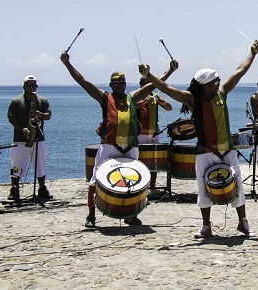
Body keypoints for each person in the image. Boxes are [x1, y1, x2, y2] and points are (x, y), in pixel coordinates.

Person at [138, 41, 258, 239]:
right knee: (203, 189)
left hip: (227, 149)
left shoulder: (222, 92)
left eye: (218, 81)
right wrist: (149, 76)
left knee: (237, 184)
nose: (217, 84)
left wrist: (252, 54)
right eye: (214, 82)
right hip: (205, 150)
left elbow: (240, 70)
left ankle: (242, 222)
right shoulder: (191, 98)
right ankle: (206, 226)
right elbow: (165, 88)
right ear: (203, 85)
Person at [61, 51, 176, 227]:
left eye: (122, 83)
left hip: (130, 147)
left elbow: (153, 84)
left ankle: (132, 214)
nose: (120, 86)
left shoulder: (133, 97)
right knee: (94, 181)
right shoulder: (104, 98)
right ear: (111, 85)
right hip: (109, 146)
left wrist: (170, 70)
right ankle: (91, 215)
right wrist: (67, 64)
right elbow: (83, 82)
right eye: (116, 83)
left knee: (135, 181)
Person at [7, 75, 53, 203]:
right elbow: (11, 117)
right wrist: (22, 128)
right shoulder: (16, 102)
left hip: (38, 137)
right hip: (20, 138)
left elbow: (48, 116)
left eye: (34, 85)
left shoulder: (42, 101)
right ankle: (14, 189)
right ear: (24, 86)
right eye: (29, 85)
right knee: (17, 164)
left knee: (40, 164)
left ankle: (42, 188)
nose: (32, 88)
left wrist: (39, 114)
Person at [135, 66, 178, 198]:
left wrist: (162, 102)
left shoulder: (155, 95)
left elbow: (169, 108)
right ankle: (140, 187)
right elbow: (130, 108)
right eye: (145, 84)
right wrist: (143, 102)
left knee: (154, 161)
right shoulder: (136, 96)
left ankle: (152, 187)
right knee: (140, 161)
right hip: (141, 134)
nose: (147, 87)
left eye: (149, 84)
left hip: (154, 133)